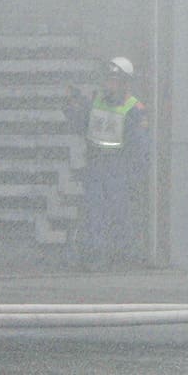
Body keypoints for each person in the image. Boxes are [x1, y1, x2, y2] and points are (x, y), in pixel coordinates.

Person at [63, 56, 149, 270]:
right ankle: (96, 255)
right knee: (94, 212)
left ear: (124, 83)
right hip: (96, 165)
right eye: (107, 80)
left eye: (113, 81)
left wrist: (135, 174)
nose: (108, 85)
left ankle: (122, 256)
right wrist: (72, 106)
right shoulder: (95, 101)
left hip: (119, 169)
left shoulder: (134, 109)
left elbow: (139, 146)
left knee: (120, 213)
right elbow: (80, 124)